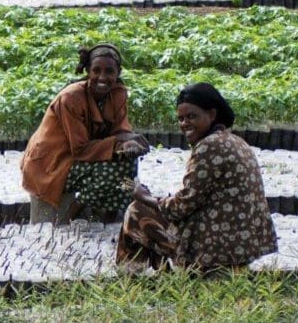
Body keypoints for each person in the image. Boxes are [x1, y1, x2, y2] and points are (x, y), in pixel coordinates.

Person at [117, 83, 277, 271]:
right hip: (244, 244)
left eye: (192, 116)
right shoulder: (234, 141)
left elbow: (180, 208)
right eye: (181, 119)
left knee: (136, 211)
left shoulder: (208, 147)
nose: (185, 124)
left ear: (212, 114)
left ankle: (131, 276)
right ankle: (160, 275)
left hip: (218, 248)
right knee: (152, 212)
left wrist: (144, 196)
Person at [21, 43, 150, 222]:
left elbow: (120, 129)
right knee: (110, 172)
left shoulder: (117, 94)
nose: (102, 77)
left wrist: (127, 143)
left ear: (118, 72)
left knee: (127, 162)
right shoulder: (71, 98)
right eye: (96, 70)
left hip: (80, 156)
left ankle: (109, 217)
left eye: (109, 71)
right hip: (52, 162)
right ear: (88, 72)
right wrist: (119, 140)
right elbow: (80, 149)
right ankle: (75, 211)